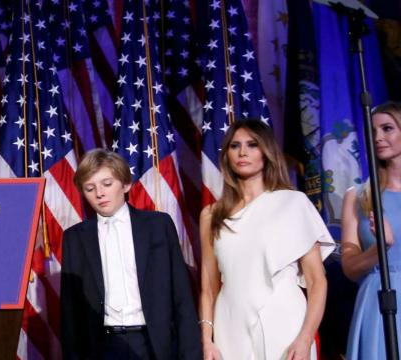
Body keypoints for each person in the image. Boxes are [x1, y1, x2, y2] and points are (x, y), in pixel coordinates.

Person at [199, 119, 335, 360]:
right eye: (235, 146)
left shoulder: (294, 203)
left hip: (286, 324)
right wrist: (207, 340)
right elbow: (208, 288)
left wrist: (305, 338)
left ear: (267, 152)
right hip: (230, 327)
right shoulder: (211, 215)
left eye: (252, 145)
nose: (242, 152)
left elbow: (317, 282)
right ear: (227, 155)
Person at [61, 149, 202, 359]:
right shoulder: (75, 238)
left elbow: (180, 294)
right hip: (104, 346)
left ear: (125, 184)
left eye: (107, 184)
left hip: (154, 343)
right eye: (90, 188)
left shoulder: (158, 225)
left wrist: (191, 353)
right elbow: (70, 311)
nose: (99, 193)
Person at [343, 101, 401, 359]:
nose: (378, 137)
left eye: (387, 128)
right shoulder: (358, 197)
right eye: (372, 130)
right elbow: (349, 268)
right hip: (376, 305)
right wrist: (380, 249)